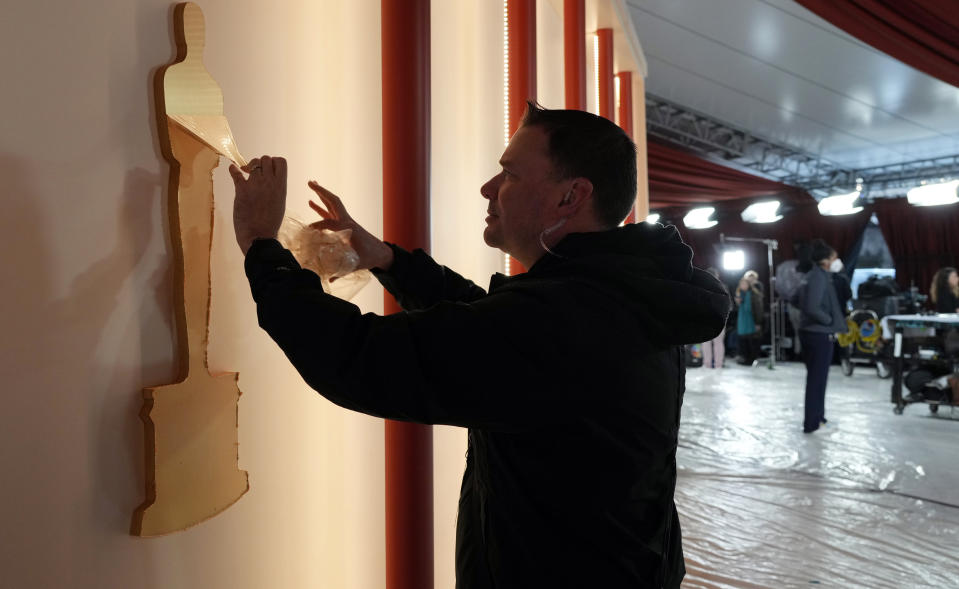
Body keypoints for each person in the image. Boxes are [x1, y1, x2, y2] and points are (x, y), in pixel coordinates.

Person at [228, 102, 730, 588]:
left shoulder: (566, 319)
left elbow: (360, 356)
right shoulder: (618, 295)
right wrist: (388, 260)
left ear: (569, 197)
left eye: (509, 174)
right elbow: (488, 329)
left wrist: (262, 246)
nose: (488, 188)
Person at [795, 239, 847, 434]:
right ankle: (812, 423)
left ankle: (819, 417)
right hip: (818, 334)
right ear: (826, 260)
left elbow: (796, 299)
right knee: (817, 380)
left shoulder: (815, 276)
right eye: (834, 257)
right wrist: (828, 322)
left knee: (818, 379)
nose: (837, 260)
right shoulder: (818, 277)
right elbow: (811, 307)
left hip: (814, 332)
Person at [733, 275, 764, 365]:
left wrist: (758, 322)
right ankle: (746, 358)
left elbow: (758, 309)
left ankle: (751, 360)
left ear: (748, 285)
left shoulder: (754, 294)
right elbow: (737, 309)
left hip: (752, 320)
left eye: (744, 284)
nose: (743, 286)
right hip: (742, 321)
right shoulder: (739, 294)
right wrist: (737, 303)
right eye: (741, 284)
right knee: (744, 341)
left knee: (752, 342)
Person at [701, 267, 727, 369]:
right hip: (714, 317)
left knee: (711, 342)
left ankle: (713, 364)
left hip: (714, 317)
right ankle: (715, 364)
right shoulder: (722, 286)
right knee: (712, 342)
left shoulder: (722, 287)